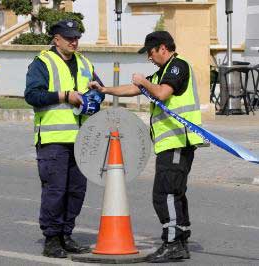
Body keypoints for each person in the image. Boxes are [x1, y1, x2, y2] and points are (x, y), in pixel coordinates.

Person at [89, 31, 203, 263]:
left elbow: (160, 92)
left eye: (150, 53)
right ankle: (179, 241)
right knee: (175, 193)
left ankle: (172, 243)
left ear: (162, 48)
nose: (149, 58)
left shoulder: (177, 66)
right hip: (171, 143)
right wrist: (106, 90)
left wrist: (143, 81)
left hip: (177, 141)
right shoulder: (164, 69)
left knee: (164, 194)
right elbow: (136, 90)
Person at [25, 19, 104, 258]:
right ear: (56, 39)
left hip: (81, 140)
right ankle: (52, 238)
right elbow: (32, 95)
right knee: (56, 190)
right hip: (53, 139)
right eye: (69, 37)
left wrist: (95, 93)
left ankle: (66, 234)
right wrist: (63, 96)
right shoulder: (42, 62)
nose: (74, 41)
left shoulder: (84, 62)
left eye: (76, 37)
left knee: (76, 191)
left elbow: (99, 90)